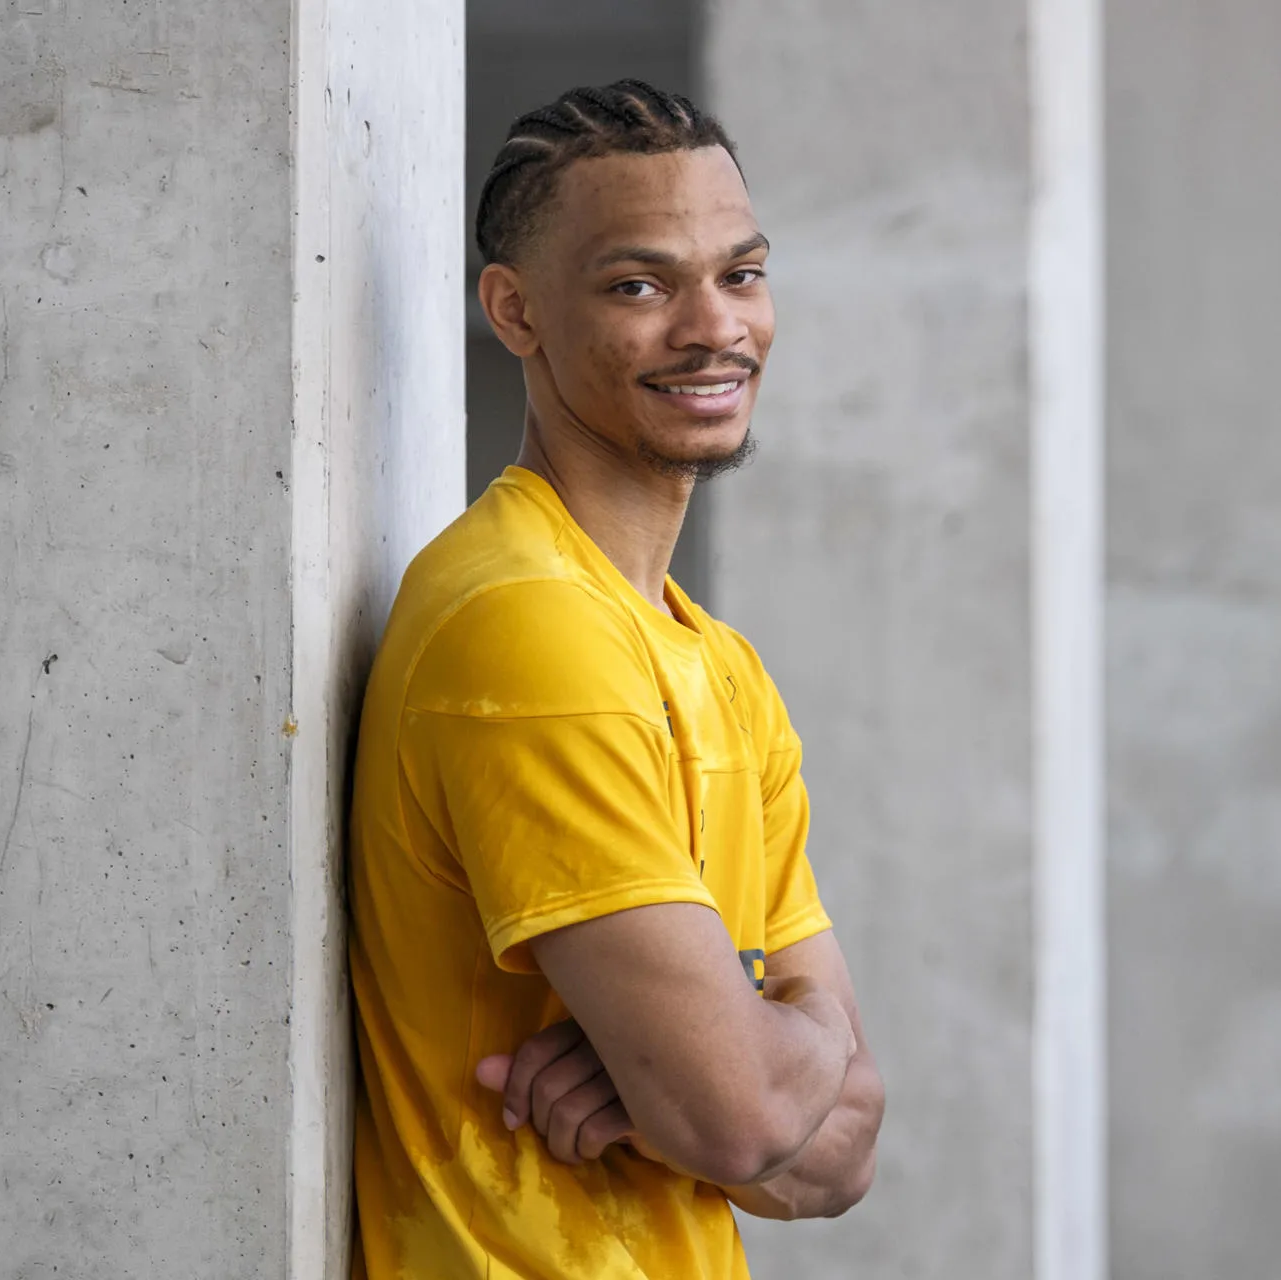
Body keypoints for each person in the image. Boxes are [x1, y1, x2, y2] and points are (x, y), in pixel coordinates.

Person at [347, 79, 885, 1279]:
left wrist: (709, 1050)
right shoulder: (529, 631)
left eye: (740, 275)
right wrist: (750, 1044)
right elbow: (750, 1121)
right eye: (639, 285)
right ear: (517, 310)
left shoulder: (718, 664)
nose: (713, 327)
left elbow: (848, 1147)